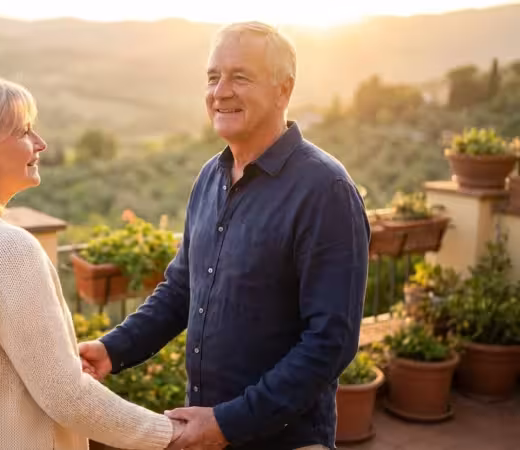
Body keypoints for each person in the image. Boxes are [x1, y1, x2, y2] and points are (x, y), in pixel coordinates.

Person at [79, 21, 370, 450]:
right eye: (213, 77)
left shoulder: (326, 191)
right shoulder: (209, 177)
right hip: (204, 431)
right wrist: (112, 349)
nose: (221, 91)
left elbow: (330, 343)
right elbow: (181, 289)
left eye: (241, 76)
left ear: (283, 91)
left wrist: (229, 423)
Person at [0, 73, 183, 450]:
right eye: (24, 132)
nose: (40, 143)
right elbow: (67, 398)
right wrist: (172, 434)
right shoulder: (6, 249)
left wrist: (52, 365)